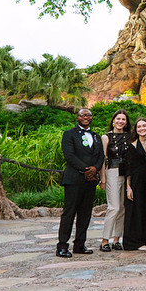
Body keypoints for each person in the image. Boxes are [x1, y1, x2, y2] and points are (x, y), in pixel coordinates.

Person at [56, 108, 104, 258]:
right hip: (74, 179)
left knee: (85, 213)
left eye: (88, 115)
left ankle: (80, 244)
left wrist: (95, 169)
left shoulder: (96, 136)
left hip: (90, 181)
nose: (86, 117)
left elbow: (101, 156)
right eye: (83, 115)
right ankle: (62, 246)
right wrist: (86, 170)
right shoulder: (69, 134)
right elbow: (69, 155)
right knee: (69, 213)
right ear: (77, 118)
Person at [99, 109, 131, 252]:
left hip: (126, 173)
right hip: (112, 171)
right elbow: (102, 159)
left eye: (123, 119)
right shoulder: (106, 137)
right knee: (114, 207)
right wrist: (103, 178)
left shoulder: (129, 137)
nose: (120, 122)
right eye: (118, 119)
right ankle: (105, 240)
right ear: (113, 120)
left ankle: (117, 239)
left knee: (123, 208)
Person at [123, 117, 146, 251]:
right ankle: (134, 242)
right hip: (136, 183)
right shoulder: (132, 145)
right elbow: (127, 168)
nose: (142, 128)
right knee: (136, 211)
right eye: (139, 127)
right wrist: (128, 187)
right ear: (136, 129)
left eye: (144, 126)